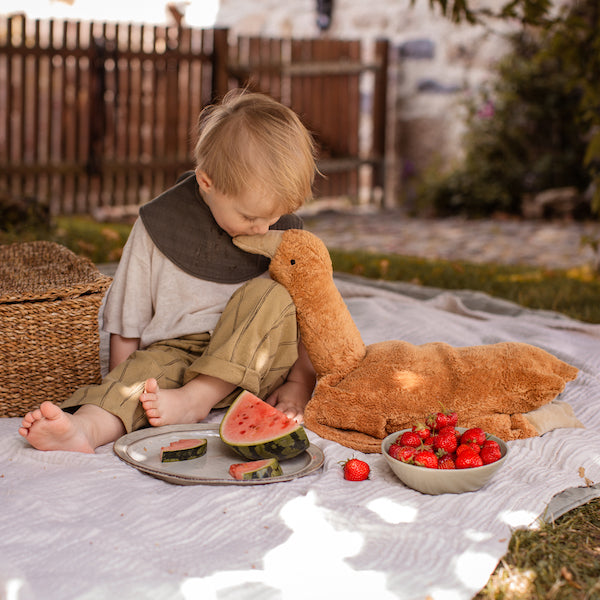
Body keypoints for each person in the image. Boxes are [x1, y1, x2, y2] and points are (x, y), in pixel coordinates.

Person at [19, 89, 317, 454]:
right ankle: (85, 429)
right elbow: (127, 318)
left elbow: (310, 315)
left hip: (259, 365)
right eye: (251, 217)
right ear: (207, 182)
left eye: (274, 217)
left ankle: (197, 399)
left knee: (270, 295)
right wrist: (119, 385)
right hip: (177, 357)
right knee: (139, 378)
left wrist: (300, 382)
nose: (262, 228)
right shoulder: (158, 225)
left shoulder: (281, 230)